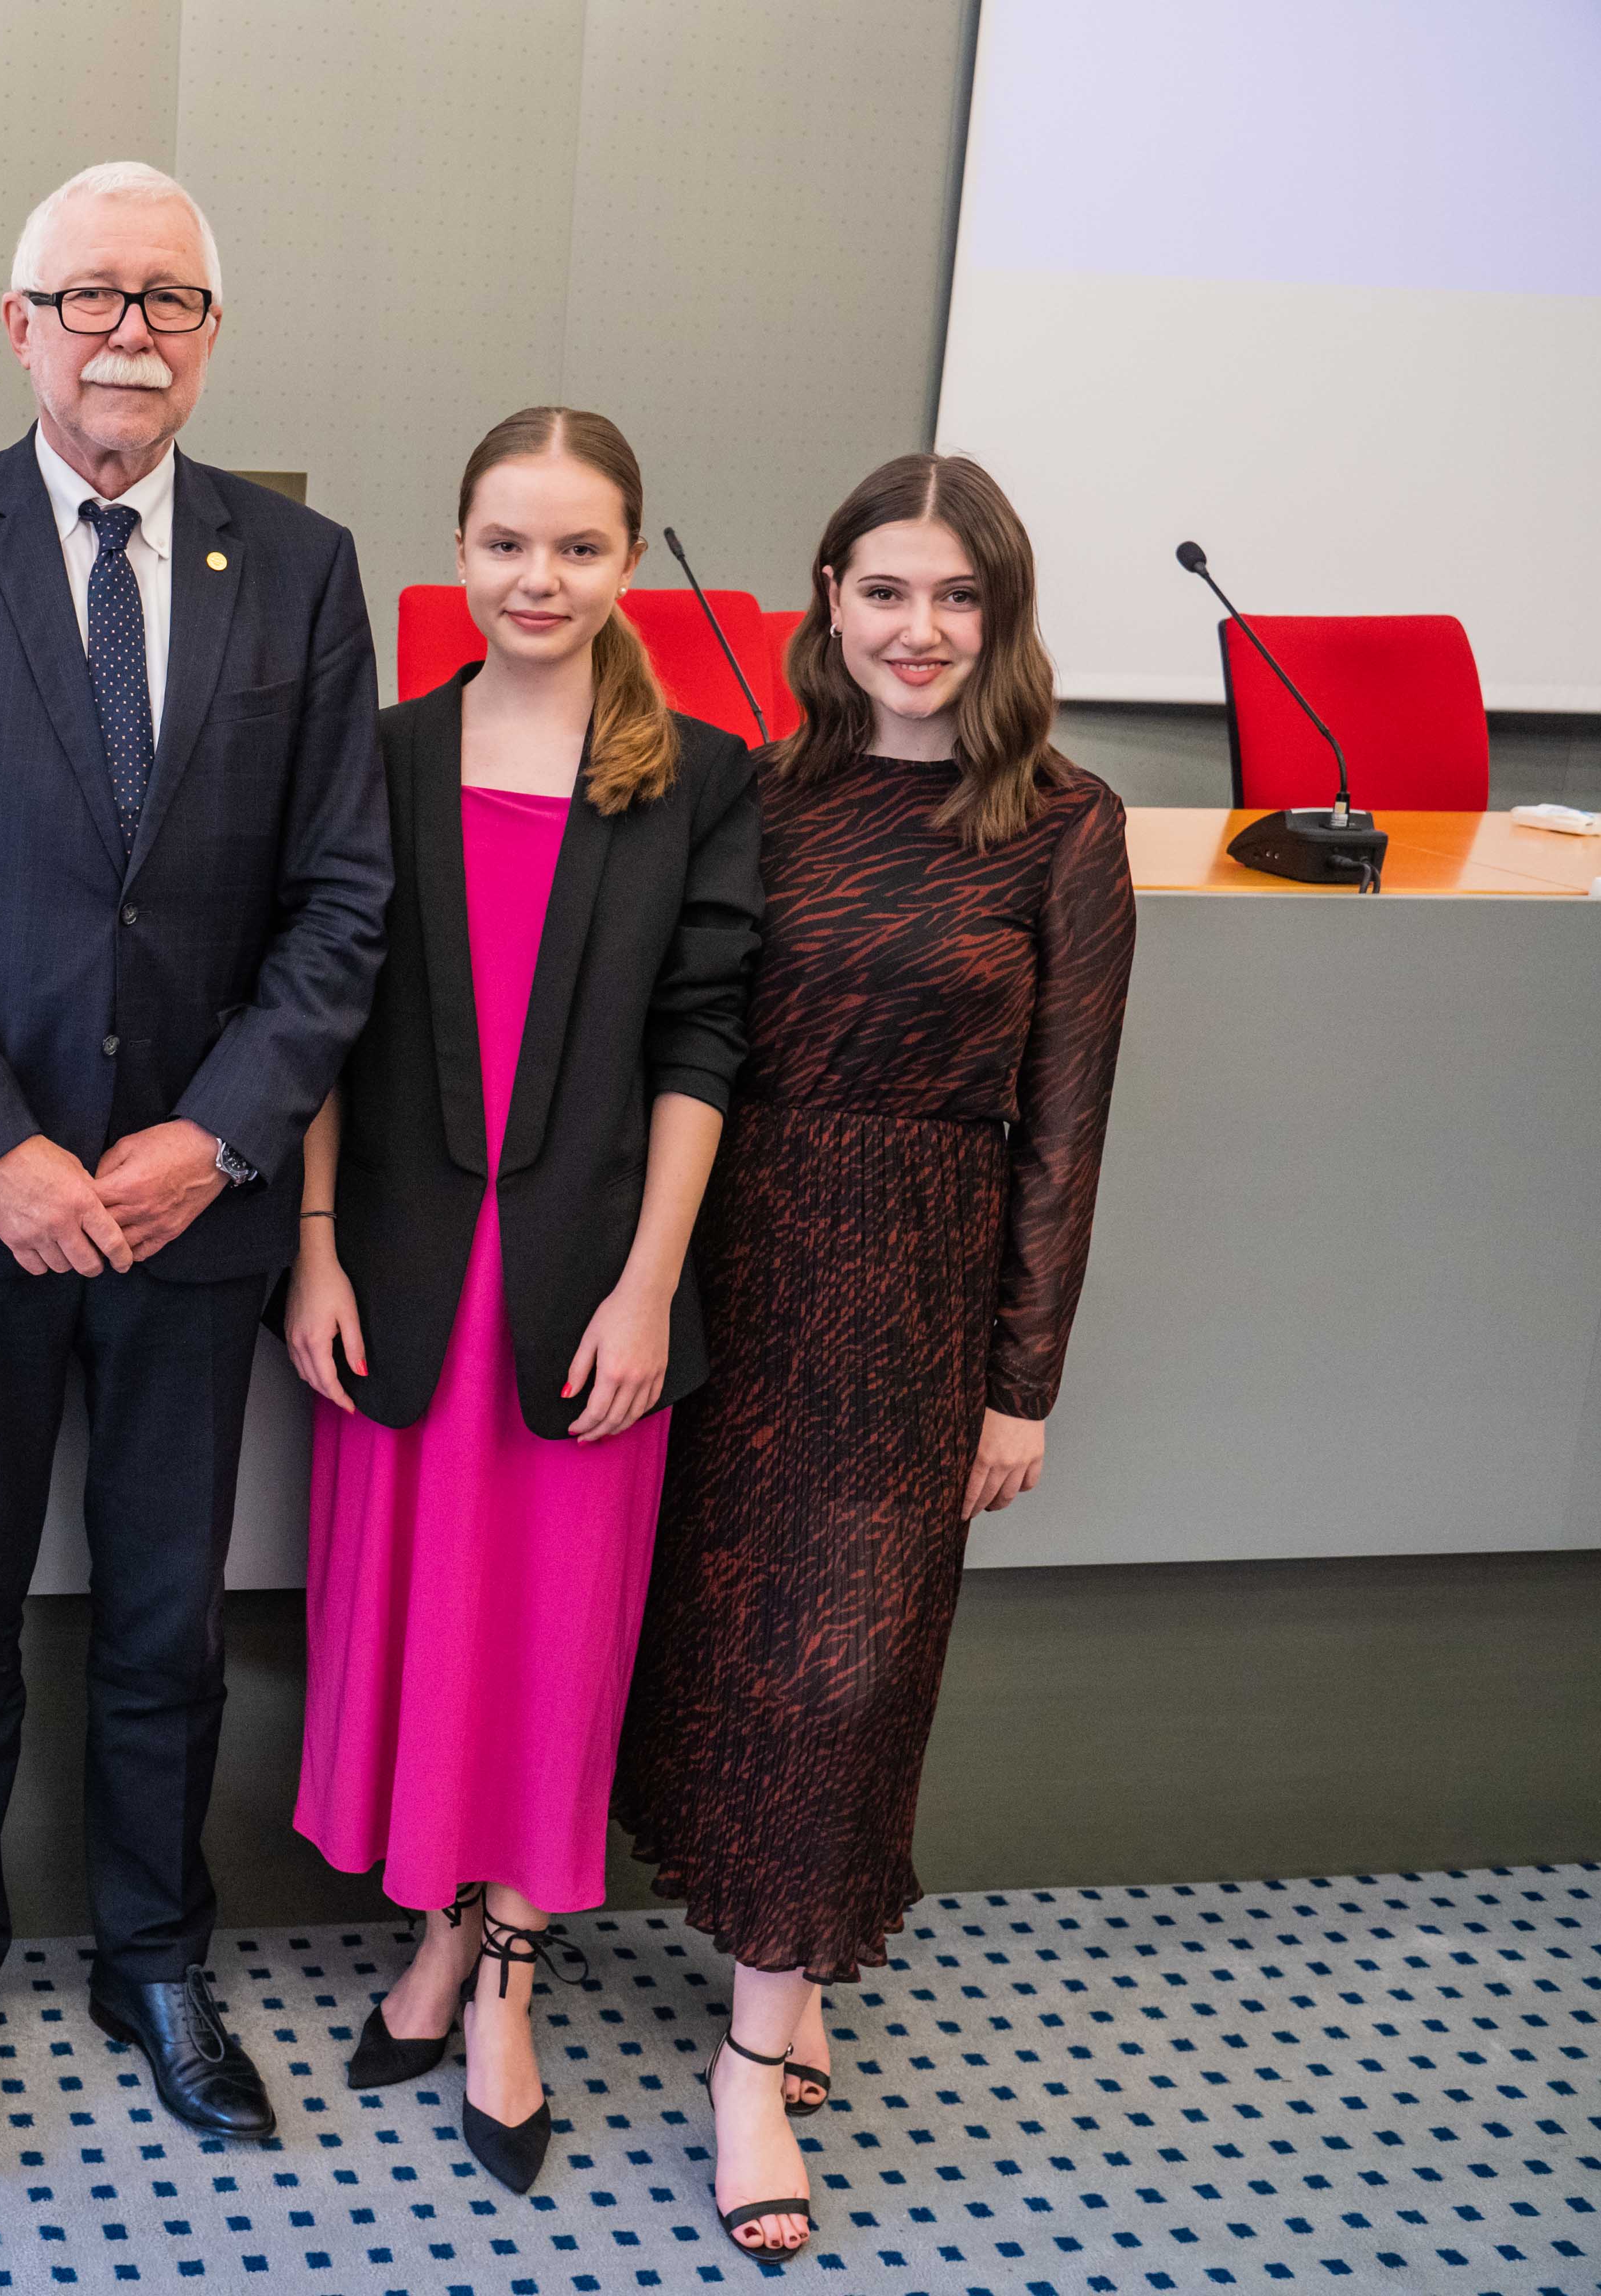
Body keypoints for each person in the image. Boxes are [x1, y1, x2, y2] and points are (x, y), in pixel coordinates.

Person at [0, 161, 390, 2160]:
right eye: (92, 296)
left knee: (165, 1626)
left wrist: (214, 1143)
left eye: (170, 299)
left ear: (211, 335)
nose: (130, 332)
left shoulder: (302, 568)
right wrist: (0, 1153)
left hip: (190, 1216)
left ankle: (157, 1959)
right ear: (20, 324)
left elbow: (343, 903)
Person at [613, 451, 1136, 2266]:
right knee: (723, 1651)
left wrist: (1023, 1380)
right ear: (828, 598)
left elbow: (1066, 1131)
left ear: (1004, 615)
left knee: (850, 1679)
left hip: (919, 1295)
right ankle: (783, 1958)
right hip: (735, 1267)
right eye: (888, 590)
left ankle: (752, 2064)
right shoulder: (754, 797)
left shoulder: (1067, 825)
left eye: (958, 596)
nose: (920, 630)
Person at [282, 408, 761, 2195]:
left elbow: (702, 1044)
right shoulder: (382, 752)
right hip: (403, 1281)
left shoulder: (700, 775)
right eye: (505, 543)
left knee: (553, 1642)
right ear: (458, 551)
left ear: (629, 561)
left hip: (587, 1292)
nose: (537, 579)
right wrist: (314, 1245)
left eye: (576, 547)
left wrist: (651, 1286)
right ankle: (436, 1930)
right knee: (430, 1631)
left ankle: (505, 1978)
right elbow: (315, 1010)